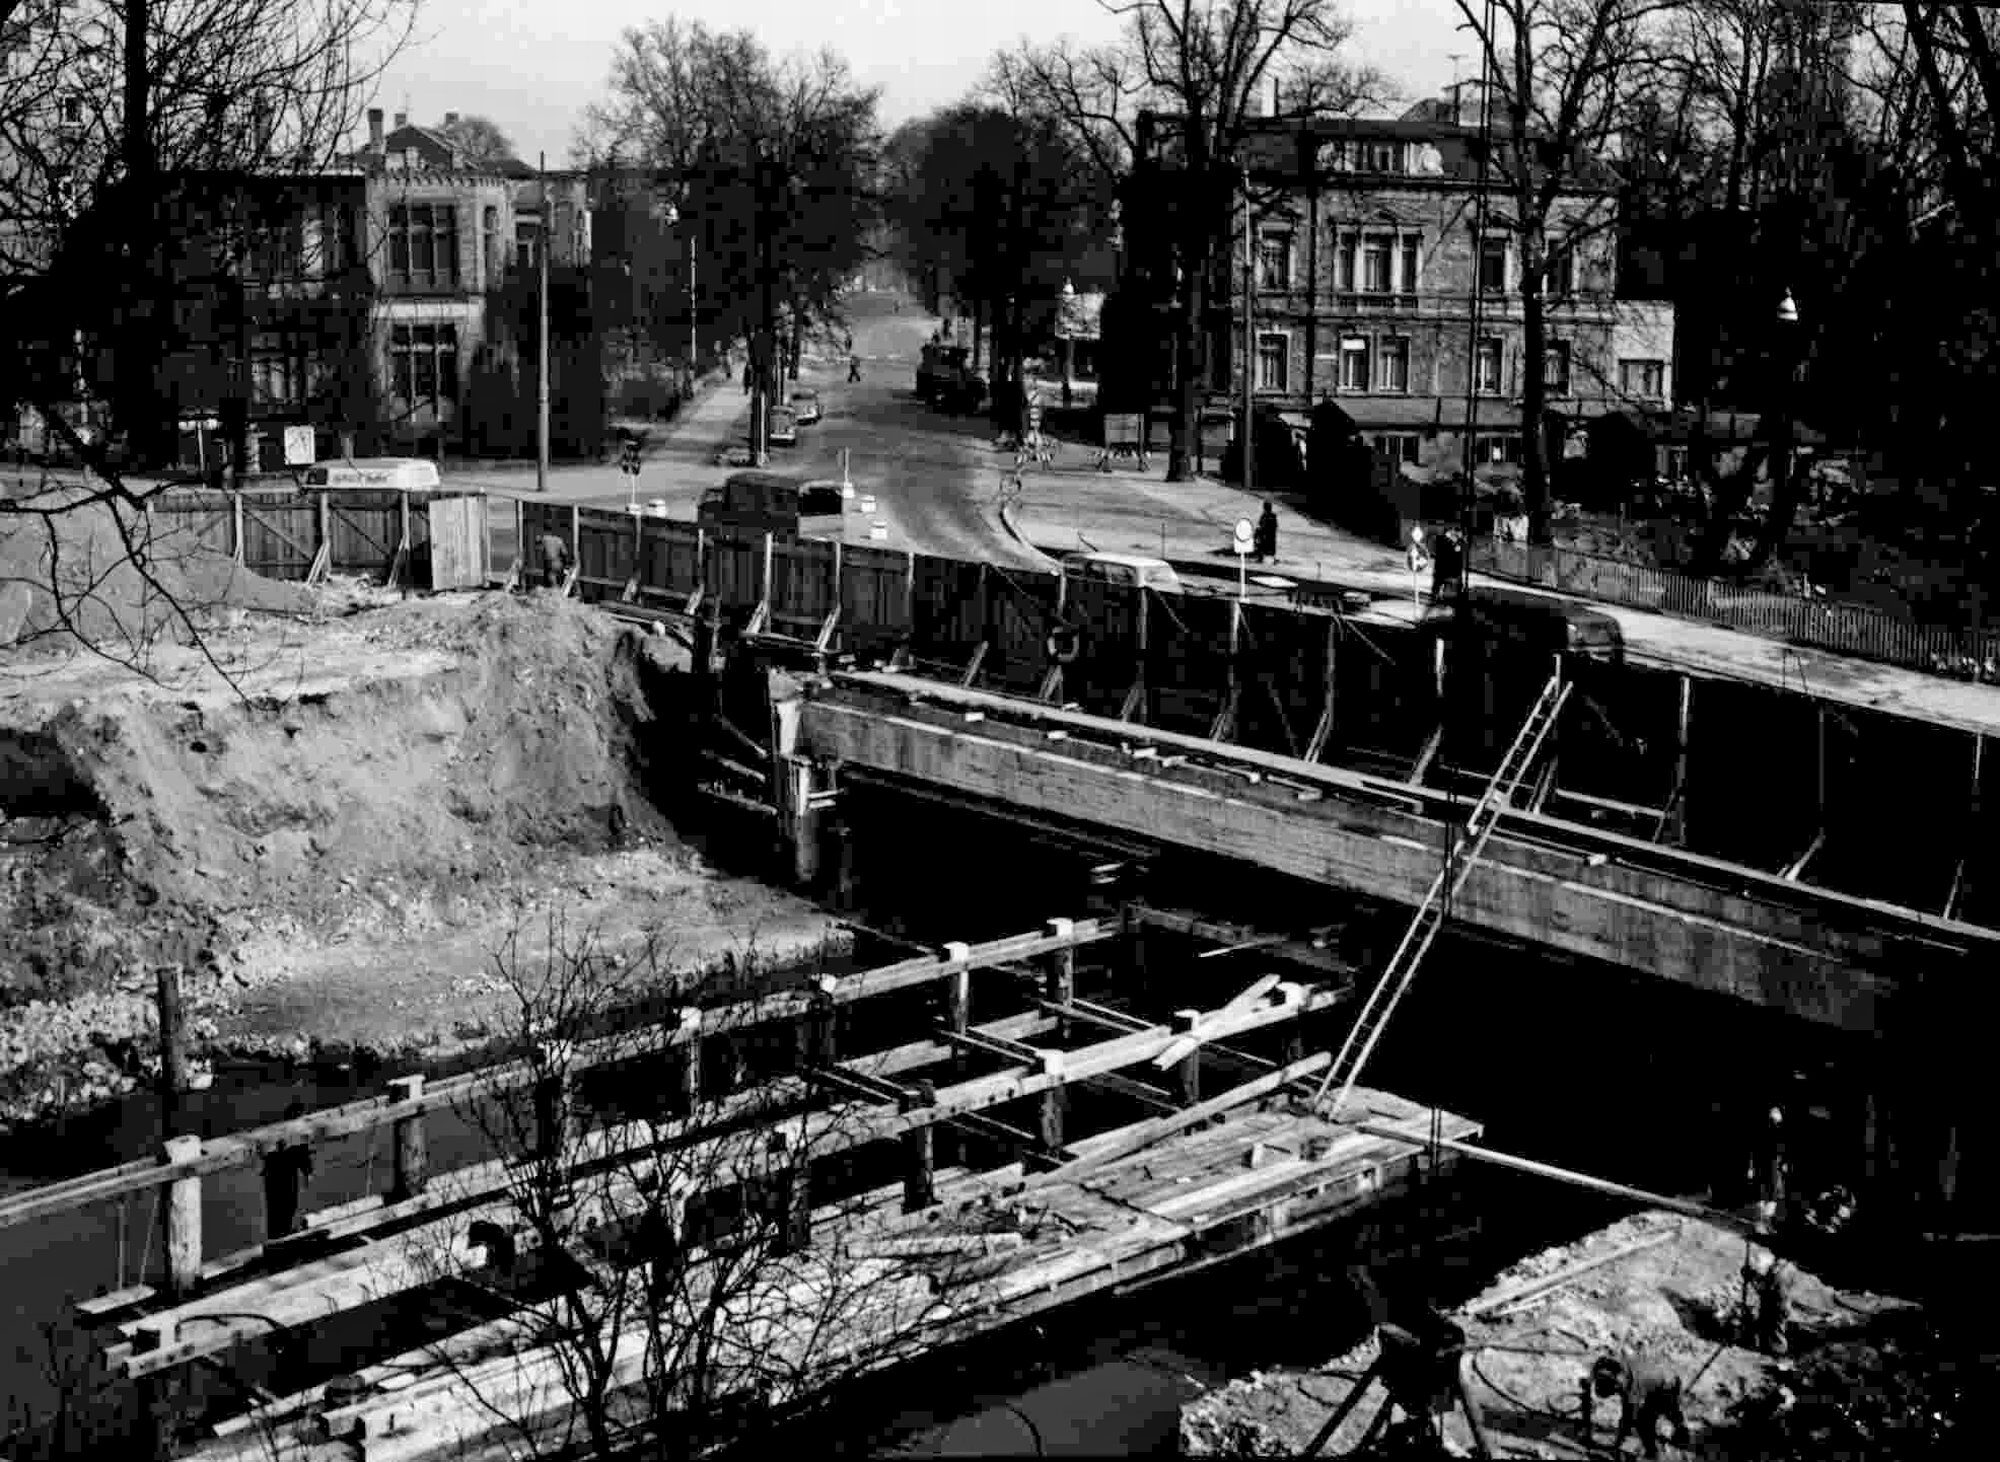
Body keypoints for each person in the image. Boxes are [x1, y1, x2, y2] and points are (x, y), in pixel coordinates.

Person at [1583, 1352, 1691, 1459]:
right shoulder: (1602, 1364)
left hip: (1667, 1384)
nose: (1617, 1393)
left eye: (1616, 1390)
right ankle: (1678, 1433)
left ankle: (1654, 1452)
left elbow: (1627, 1418)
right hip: (1656, 1371)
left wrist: (1617, 1444)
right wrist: (1586, 1428)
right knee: (1656, 1414)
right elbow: (1586, 1391)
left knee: (1644, 1422)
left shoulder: (1633, 1384)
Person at [263, 1099, 316, 1239]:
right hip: (281, 1175)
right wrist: (308, 1172)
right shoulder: (290, 1133)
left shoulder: (287, 1132)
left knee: (281, 1207)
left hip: (278, 1175)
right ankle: (280, 1236)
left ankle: (279, 1234)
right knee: (283, 1206)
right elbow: (301, 1152)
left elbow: (302, 1152)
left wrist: (308, 1171)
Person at [1742, 1248, 1794, 1356]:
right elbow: (1768, 1281)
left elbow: (1763, 1289)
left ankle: (1778, 1353)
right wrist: (1754, 1274)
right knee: (1769, 1330)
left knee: (1774, 1333)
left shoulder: (1777, 1271)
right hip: (1781, 1305)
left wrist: (1751, 1278)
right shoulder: (1789, 1267)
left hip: (1774, 1307)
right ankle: (1769, 1349)